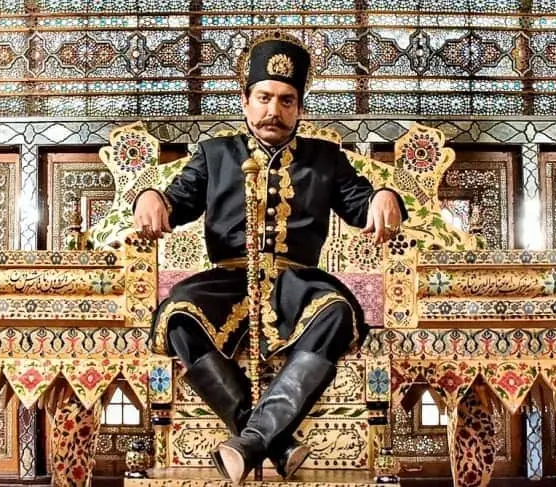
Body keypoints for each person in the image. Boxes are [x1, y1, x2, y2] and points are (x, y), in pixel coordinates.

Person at [134, 31, 407, 486]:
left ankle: (249, 441)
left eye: (286, 100)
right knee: (178, 314)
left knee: (337, 312)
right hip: (227, 281)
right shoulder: (215, 154)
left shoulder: (325, 158)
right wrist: (150, 196)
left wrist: (384, 195)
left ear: (299, 108)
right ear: (245, 102)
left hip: (296, 283)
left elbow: (361, 203)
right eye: (263, 98)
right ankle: (272, 442)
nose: (273, 110)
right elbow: (177, 201)